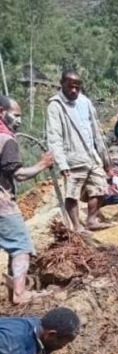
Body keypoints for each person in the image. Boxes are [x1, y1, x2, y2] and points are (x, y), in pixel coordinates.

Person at [0, 96, 55, 305]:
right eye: (16, 115)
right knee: (21, 246)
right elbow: (19, 174)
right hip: (3, 204)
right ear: (1, 112)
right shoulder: (7, 140)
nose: (19, 121)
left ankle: (11, 287)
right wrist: (43, 164)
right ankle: (20, 294)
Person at [47, 70, 111, 232]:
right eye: (70, 87)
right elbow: (54, 137)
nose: (74, 90)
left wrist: (106, 161)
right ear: (62, 85)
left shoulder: (85, 102)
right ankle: (76, 226)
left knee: (100, 187)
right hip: (72, 157)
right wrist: (62, 164)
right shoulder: (55, 106)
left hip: (91, 155)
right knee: (72, 193)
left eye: (77, 87)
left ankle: (91, 220)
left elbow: (96, 132)